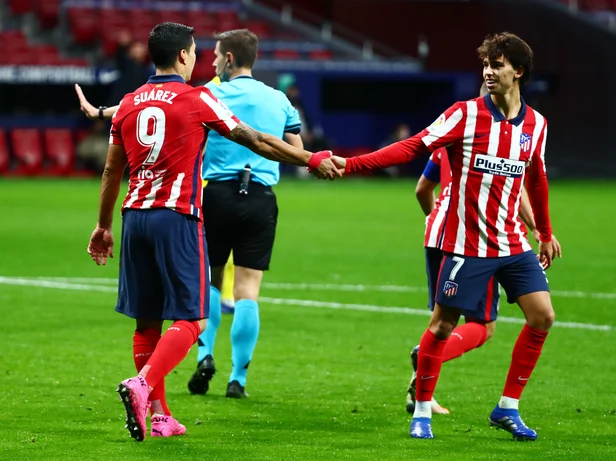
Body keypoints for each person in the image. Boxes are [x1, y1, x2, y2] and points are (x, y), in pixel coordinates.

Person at [86, 22, 338, 442]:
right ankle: (143, 384)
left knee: (147, 322)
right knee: (194, 318)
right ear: (184, 56)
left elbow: (113, 170)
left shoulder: (130, 102)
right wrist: (310, 159)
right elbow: (256, 139)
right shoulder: (198, 99)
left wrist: (102, 226)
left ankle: (161, 416)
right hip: (178, 217)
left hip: (134, 219)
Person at [331, 32, 558, 441]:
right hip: (465, 244)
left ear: (518, 71)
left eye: (498, 64)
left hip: (510, 241)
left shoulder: (536, 125)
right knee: (441, 326)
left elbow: (536, 179)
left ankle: (507, 408)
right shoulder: (464, 114)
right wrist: (350, 164)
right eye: (486, 64)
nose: (488, 71)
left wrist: (545, 231)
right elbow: (411, 147)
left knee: (542, 316)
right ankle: (421, 411)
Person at [405, 84, 561, 415]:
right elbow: (512, 191)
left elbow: (422, 188)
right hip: (476, 236)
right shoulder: (492, 135)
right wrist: (537, 229)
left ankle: (425, 387)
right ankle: (426, 367)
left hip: (438, 233)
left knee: (442, 318)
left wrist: (433, 219)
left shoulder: (447, 140)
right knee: (481, 324)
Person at [187, 29, 305, 399]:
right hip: (260, 198)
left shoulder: (208, 94)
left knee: (210, 281)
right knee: (247, 290)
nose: (213, 62)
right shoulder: (279, 99)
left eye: (217, 56)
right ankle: (238, 378)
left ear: (230, 59)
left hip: (217, 195)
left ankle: (204, 355)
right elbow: (297, 151)